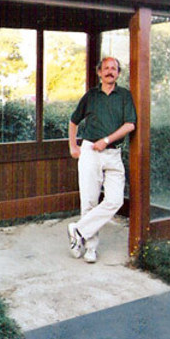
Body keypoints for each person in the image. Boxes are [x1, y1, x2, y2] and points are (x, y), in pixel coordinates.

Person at [67, 57, 137, 263]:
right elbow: (73, 121)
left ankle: (78, 230)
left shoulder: (124, 95)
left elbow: (130, 125)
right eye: (106, 68)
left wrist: (106, 140)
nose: (109, 71)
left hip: (113, 153)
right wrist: (73, 146)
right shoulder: (91, 96)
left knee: (114, 200)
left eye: (114, 68)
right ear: (99, 72)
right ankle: (90, 248)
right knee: (89, 200)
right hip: (90, 151)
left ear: (118, 73)